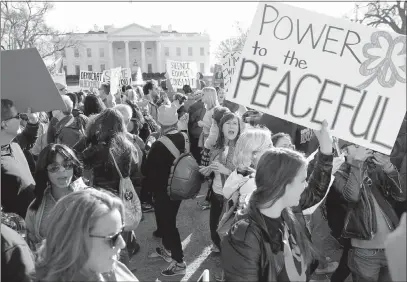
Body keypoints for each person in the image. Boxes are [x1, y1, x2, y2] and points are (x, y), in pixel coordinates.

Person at [221, 121, 334, 282]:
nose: (306, 185)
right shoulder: (246, 238)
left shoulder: (285, 209)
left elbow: (314, 192)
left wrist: (326, 150)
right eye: (269, 147)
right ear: (283, 184)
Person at [332, 141, 405, 282]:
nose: (362, 147)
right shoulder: (338, 174)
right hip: (365, 252)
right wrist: (357, 163)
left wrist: (388, 167)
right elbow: (352, 196)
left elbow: (401, 196)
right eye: (356, 145)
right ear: (345, 151)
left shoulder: (374, 169)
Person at [33, 188, 139, 282]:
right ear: (75, 241)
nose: (122, 244)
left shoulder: (113, 267)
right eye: (112, 237)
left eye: (121, 232)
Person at [79, 108, 140, 266]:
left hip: (103, 199)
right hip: (124, 196)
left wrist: (90, 139)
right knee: (121, 235)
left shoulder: (95, 149)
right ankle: (126, 261)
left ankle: (119, 269)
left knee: (111, 238)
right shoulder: (128, 147)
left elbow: (76, 158)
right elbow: (136, 172)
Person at [145, 103, 187, 276]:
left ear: (160, 122)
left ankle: (179, 261)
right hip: (179, 186)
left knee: (169, 224)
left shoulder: (158, 144)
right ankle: (168, 249)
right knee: (168, 220)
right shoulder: (183, 137)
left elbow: (146, 171)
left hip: (163, 190)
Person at [25, 144, 85, 251]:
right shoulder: (35, 206)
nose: (62, 170)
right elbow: (29, 244)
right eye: (54, 167)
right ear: (44, 171)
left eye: (67, 164)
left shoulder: (89, 200)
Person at [199, 113, 242, 253]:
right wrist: (208, 170)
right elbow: (214, 170)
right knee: (214, 229)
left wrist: (227, 171)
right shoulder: (216, 148)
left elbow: (248, 174)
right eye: (228, 123)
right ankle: (218, 247)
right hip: (216, 194)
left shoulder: (242, 150)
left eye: (235, 123)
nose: (231, 126)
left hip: (234, 199)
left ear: (239, 128)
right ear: (221, 127)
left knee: (230, 232)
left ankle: (228, 263)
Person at [1, 99, 39, 218]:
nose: (22, 119)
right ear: (4, 124)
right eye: (18, 116)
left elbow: (26, 138)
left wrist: (33, 121)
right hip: (19, 230)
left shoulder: (13, 143)